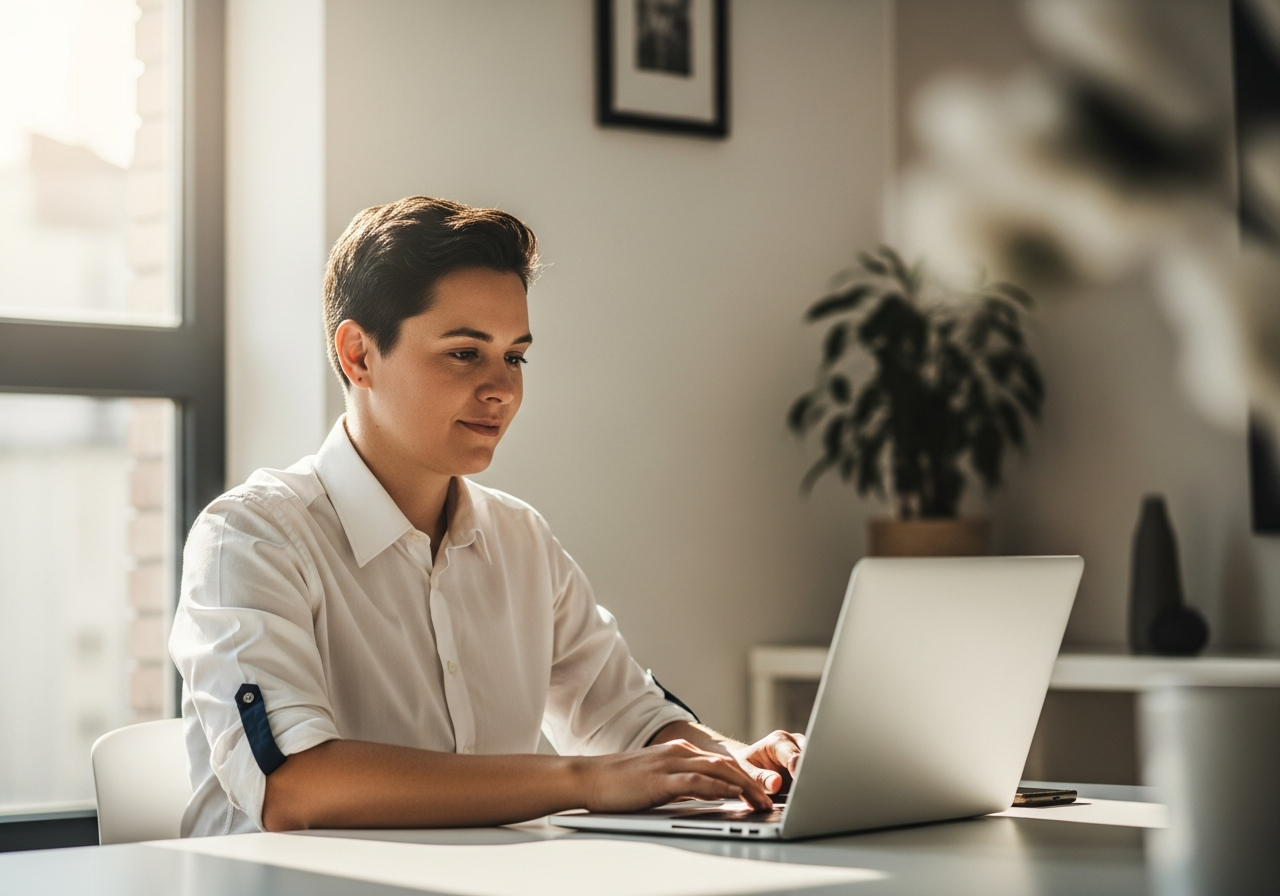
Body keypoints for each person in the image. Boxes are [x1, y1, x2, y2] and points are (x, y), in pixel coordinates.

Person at [169, 196, 805, 836]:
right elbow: (295, 787)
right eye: (465, 353)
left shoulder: (520, 539)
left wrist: (737, 764)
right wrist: (583, 781)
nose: (502, 388)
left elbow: (627, 718)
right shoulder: (252, 539)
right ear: (359, 354)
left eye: (515, 356)